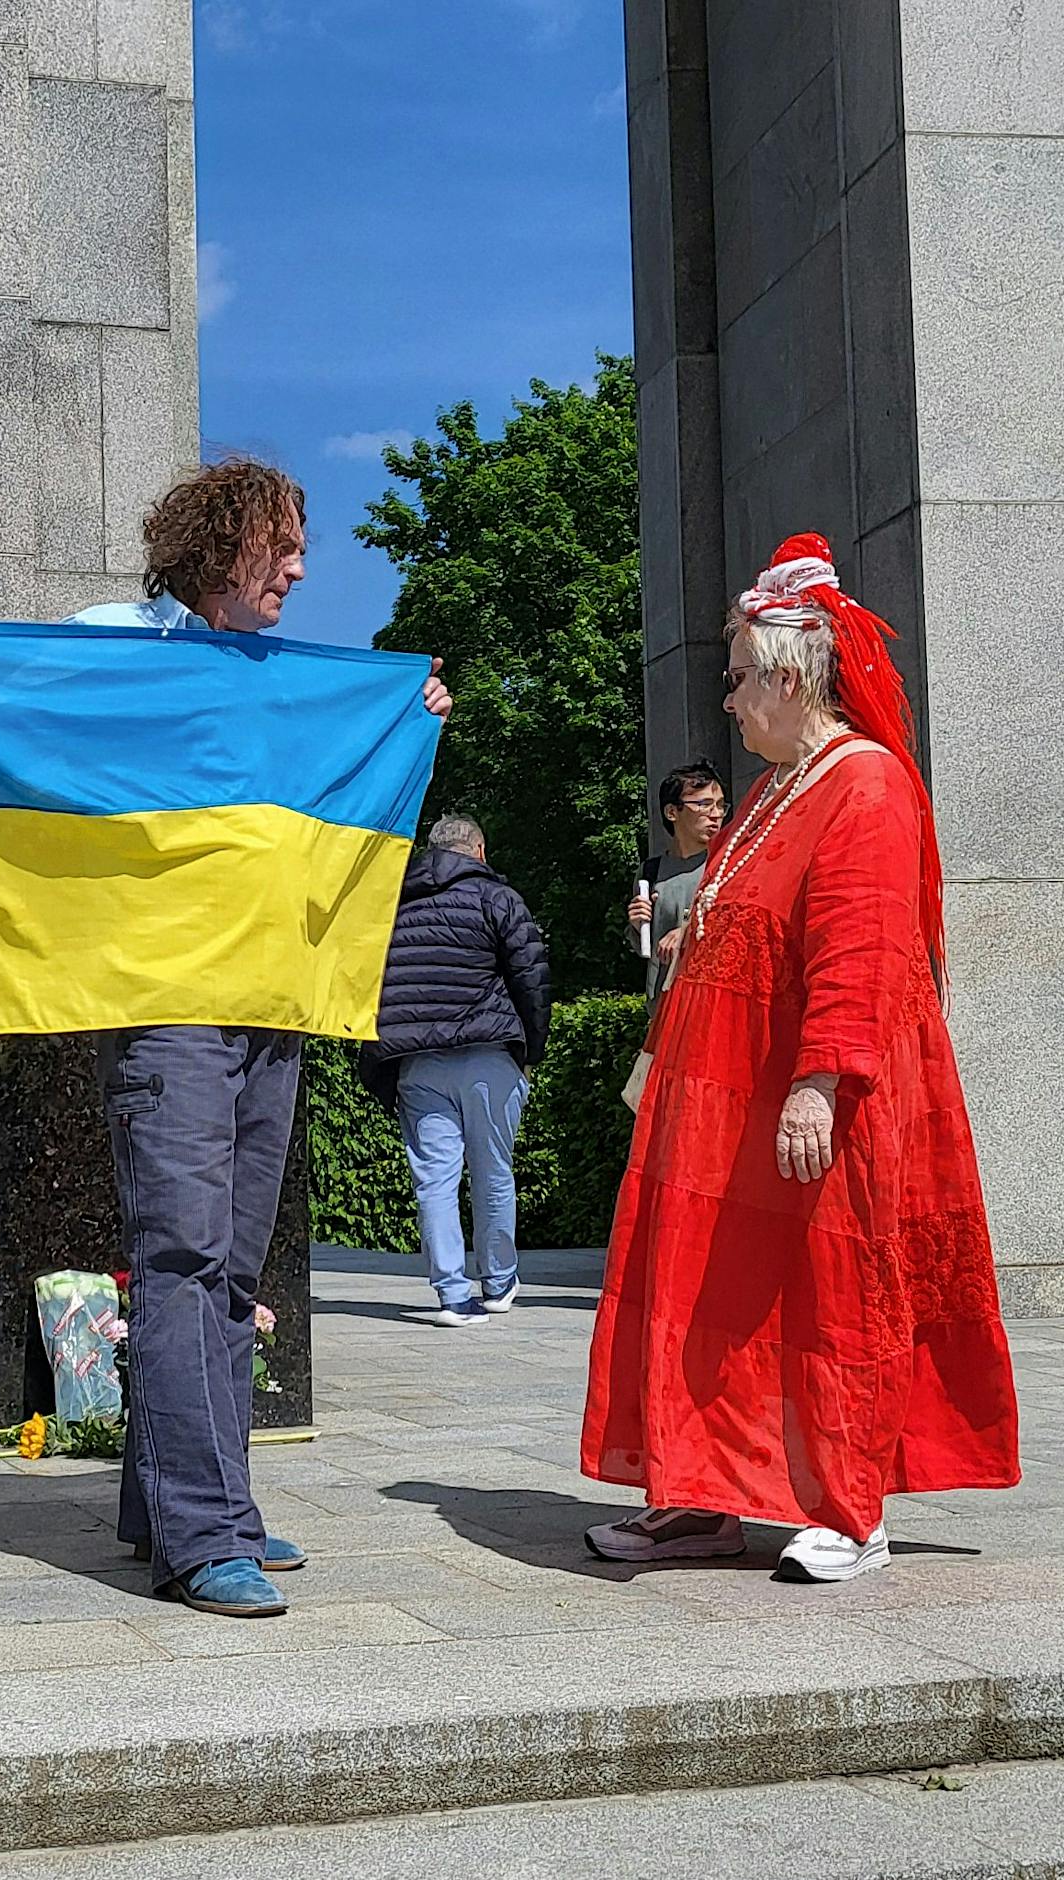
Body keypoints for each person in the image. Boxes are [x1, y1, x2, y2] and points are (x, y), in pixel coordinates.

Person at [0, 457, 452, 1619]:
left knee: (229, 1266)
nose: (301, 569)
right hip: (165, 1009)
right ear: (219, 545)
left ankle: (188, 1501)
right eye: (281, 546)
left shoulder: (282, 679)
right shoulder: (112, 644)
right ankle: (203, 1536)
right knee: (184, 1253)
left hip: (265, 998)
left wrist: (403, 722)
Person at [581, 533, 1019, 1584]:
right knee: (712, 1296)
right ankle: (703, 1494)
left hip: (814, 1094)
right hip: (728, 1102)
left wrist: (817, 1082)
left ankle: (848, 1506)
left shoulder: (860, 781)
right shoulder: (779, 787)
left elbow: (860, 949)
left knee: (835, 1288)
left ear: (785, 672)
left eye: (735, 679)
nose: (726, 703)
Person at [357, 815, 550, 1325]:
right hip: (487, 1055)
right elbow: (530, 977)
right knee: (492, 1173)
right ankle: (498, 1283)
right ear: (479, 851)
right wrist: (531, 1048)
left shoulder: (395, 904)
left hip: (418, 1062)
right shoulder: (496, 898)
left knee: (434, 1182)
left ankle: (451, 1295)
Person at [625, 761, 727, 1010]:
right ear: (672, 812)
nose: (715, 814)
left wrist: (688, 931)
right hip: (663, 1011)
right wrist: (639, 927)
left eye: (721, 805)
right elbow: (647, 951)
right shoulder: (650, 872)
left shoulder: (729, 864)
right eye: (704, 804)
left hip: (711, 1007)